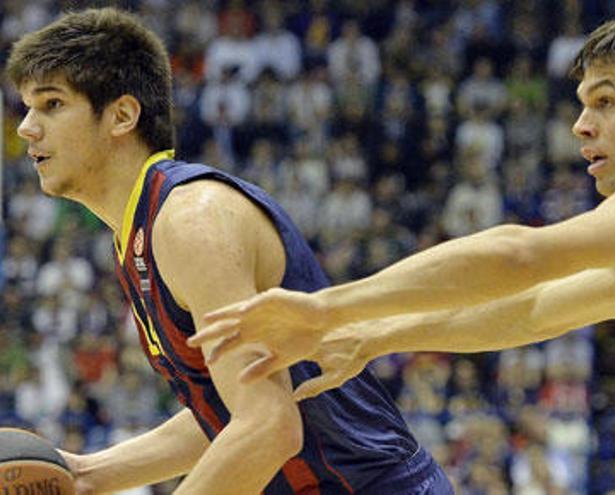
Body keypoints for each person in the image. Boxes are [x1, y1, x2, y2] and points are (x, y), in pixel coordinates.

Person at [190, 8, 615, 493]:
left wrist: (324, 308)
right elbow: (535, 308)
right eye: (581, 104)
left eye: (606, 101)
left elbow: (522, 257)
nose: (581, 126)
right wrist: (377, 334)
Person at [8, 8, 452, 495]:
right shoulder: (138, 231)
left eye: (52, 104)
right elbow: (228, 408)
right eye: (27, 107)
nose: (27, 127)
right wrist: (90, 475)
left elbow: (268, 426)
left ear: (121, 116)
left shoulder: (189, 220)